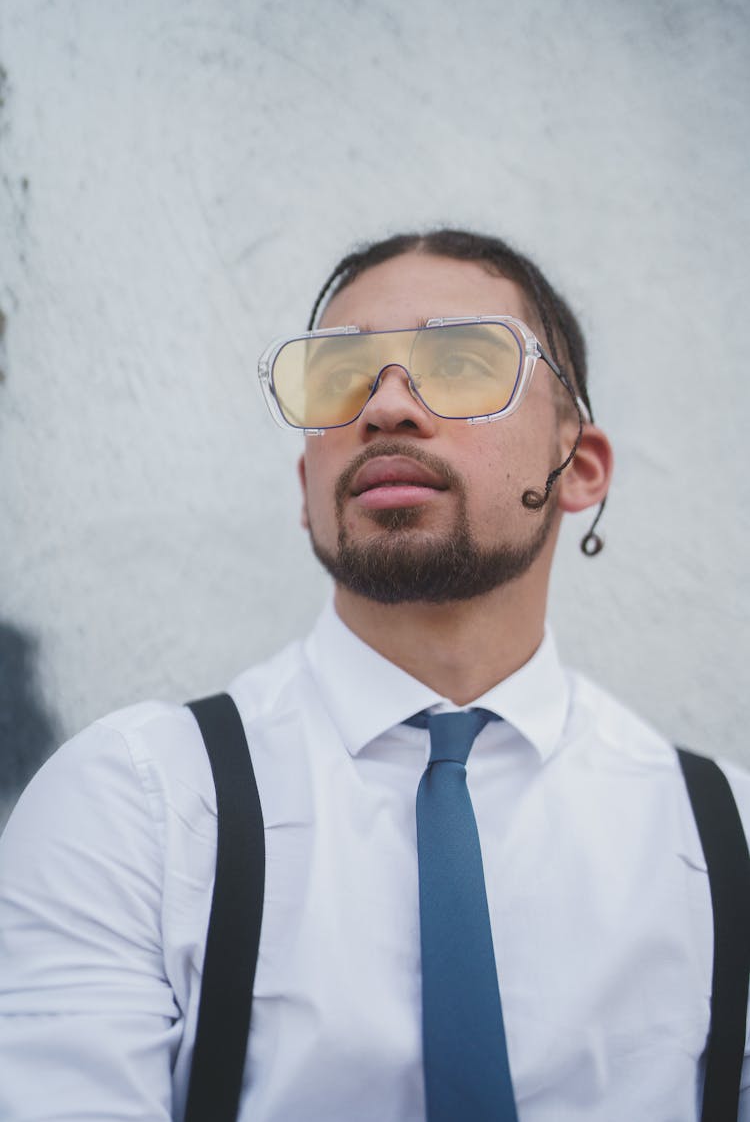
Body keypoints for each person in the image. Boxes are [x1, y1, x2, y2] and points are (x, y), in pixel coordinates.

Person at [0, 228, 747, 1121]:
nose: (386, 407)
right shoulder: (133, 806)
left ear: (579, 468)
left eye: (466, 361)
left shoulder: (725, 840)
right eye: (338, 377)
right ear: (307, 477)